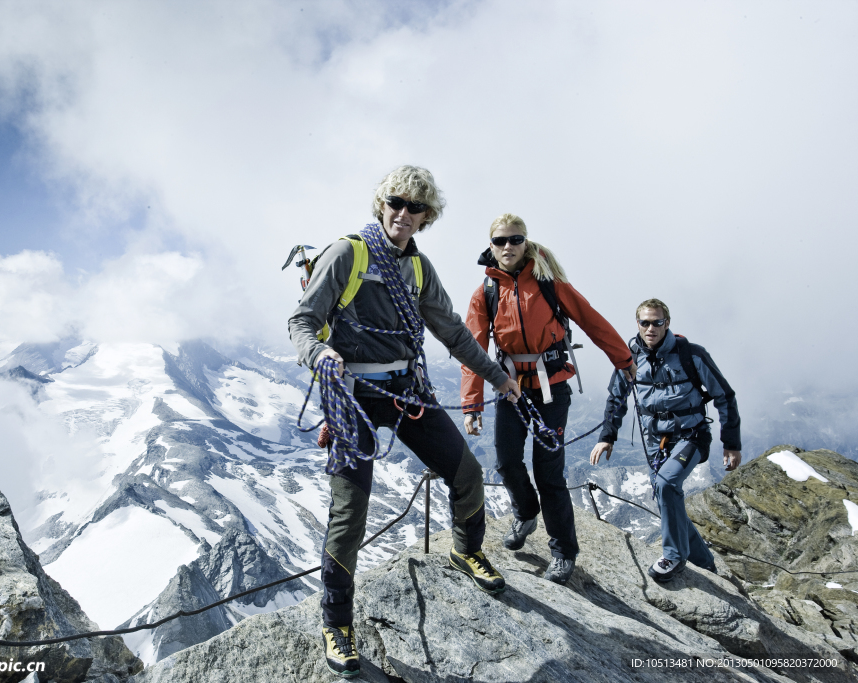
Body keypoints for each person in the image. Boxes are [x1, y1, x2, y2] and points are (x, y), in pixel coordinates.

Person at [288, 166, 523, 678]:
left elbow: (454, 334)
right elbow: (302, 321)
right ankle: (336, 622)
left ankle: (467, 551)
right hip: (354, 393)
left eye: (415, 207)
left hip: (406, 390)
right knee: (350, 513)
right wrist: (319, 353)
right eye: (396, 202)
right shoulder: (348, 254)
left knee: (466, 473)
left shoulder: (418, 268)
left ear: (426, 216)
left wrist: (497, 377)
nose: (403, 213)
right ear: (382, 204)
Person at [461, 214, 634, 586]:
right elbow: (473, 347)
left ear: (526, 242)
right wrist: (471, 403)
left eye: (515, 239)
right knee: (506, 462)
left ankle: (563, 551)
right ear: (490, 246)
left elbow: (591, 320)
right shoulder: (487, 292)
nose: (508, 247)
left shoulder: (549, 284)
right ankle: (525, 511)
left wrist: (624, 359)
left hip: (552, 389)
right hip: (510, 390)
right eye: (500, 241)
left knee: (548, 472)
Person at [590, 298, 741, 583]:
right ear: (638, 324)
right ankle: (705, 564)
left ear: (667, 323)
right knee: (665, 497)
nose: (651, 328)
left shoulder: (691, 355)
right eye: (645, 322)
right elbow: (616, 399)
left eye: (657, 322)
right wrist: (607, 437)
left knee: (666, 484)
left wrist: (731, 443)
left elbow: (725, 396)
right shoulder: (629, 357)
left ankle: (673, 557)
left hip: (691, 435)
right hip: (653, 441)